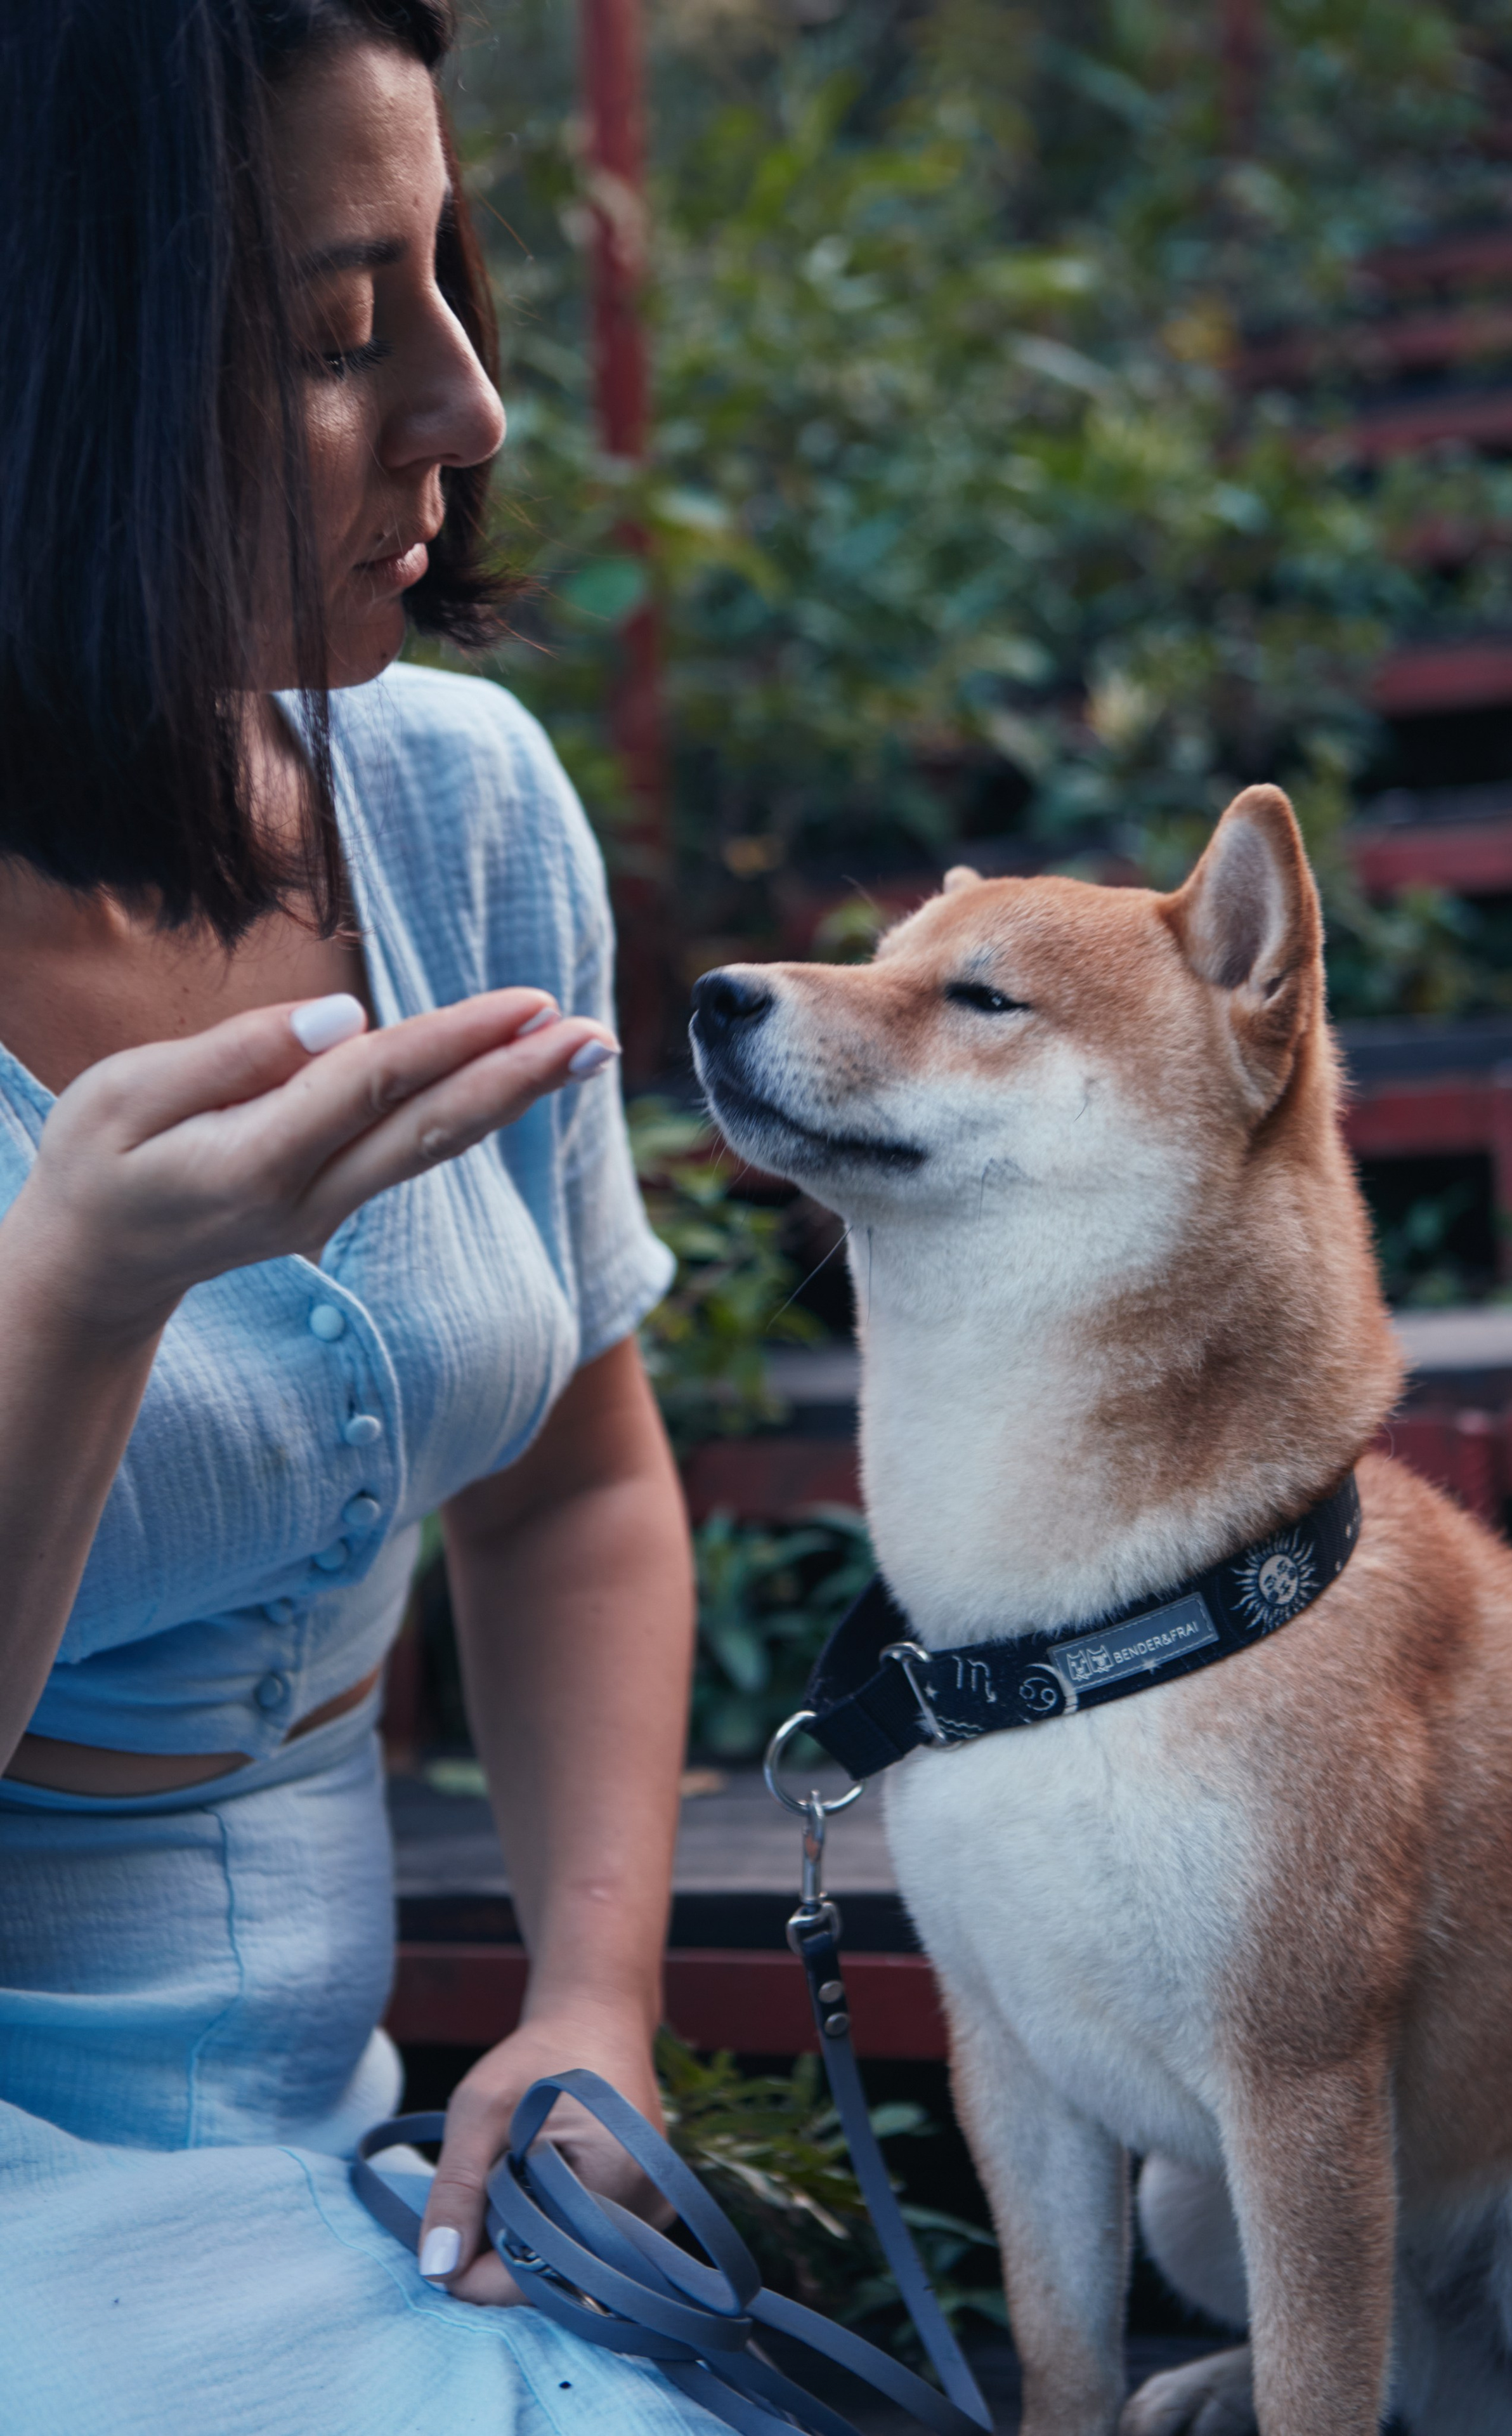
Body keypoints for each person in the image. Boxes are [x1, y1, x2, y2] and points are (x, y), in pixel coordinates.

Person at [0, 4, 726, 2426]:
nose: (466, 406)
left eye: (441, 281)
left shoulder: (453, 806)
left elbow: (576, 1499)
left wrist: (594, 1997)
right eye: (333, 337)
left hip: (347, 2170)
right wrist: (81, 1303)